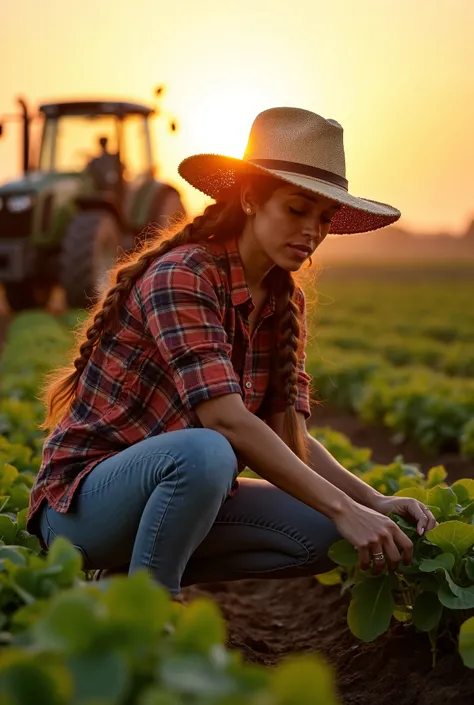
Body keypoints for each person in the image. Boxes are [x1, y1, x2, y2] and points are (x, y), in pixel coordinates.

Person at [27, 107, 436, 598]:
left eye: (324, 218)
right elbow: (225, 421)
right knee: (209, 451)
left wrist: (371, 500)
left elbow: (290, 436)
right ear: (249, 199)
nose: (311, 231)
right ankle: (148, 612)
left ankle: (125, 581)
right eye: (296, 209)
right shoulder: (184, 275)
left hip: (182, 489)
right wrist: (344, 507)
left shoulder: (285, 302)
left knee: (329, 536)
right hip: (82, 509)